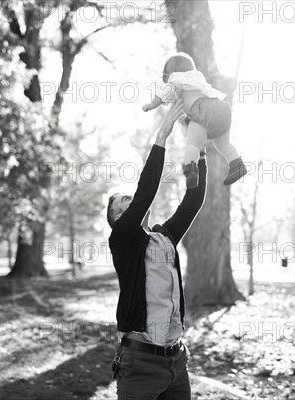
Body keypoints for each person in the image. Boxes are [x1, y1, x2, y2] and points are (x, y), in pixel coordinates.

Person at [107, 100, 206, 399]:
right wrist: (162, 136)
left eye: (127, 199)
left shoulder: (163, 236)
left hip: (176, 360)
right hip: (140, 365)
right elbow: (145, 195)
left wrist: (199, 148)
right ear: (116, 221)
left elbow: (193, 201)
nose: (129, 203)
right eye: (122, 206)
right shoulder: (122, 241)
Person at [143, 52, 246, 188]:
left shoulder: (177, 81)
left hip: (201, 111)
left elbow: (167, 92)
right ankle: (237, 164)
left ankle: (191, 170)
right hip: (221, 109)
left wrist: (152, 104)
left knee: (193, 144)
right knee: (223, 144)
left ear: (171, 74)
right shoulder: (197, 80)